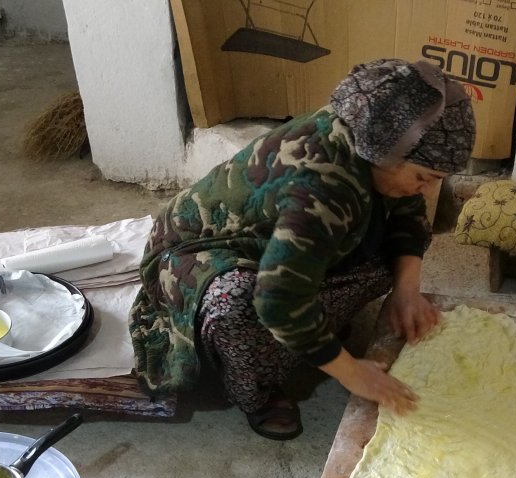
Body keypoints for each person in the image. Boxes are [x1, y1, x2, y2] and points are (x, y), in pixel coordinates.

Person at [129, 58, 476, 440]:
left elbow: (407, 210)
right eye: (424, 177)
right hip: (195, 253)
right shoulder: (324, 184)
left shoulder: (371, 133)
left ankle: (314, 332)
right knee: (238, 307)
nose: (427, 189)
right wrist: (353, 372)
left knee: (383, 262)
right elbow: (278, 301)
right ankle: (258, 393)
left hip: (284, 237)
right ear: (383, 153)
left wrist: (406, 290)